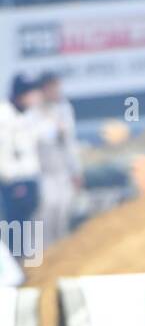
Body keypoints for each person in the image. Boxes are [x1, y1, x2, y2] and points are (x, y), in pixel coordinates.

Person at [33, 72, 83, 245]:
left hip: (63, 172)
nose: (56, 92)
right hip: (43, 173)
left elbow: (70, 143)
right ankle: (42, 258)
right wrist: (54, 129)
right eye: (52, 88)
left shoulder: (64, 108)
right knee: (46, 216)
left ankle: (60, 255)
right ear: (44, 89)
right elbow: (38, 136)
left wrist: (76, 171)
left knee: (63, 215)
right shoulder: (34, 110)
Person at [0, 75, 42, 233]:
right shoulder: (3, 115)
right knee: (14, 230)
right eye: (31, 93)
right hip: (13, 184)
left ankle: (25, 257)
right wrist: (14, 182)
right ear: (20, 95)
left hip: (30, 178)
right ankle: (16, 258)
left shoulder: (30, 114)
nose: (34, 97)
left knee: (28, 230)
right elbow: (4, 154)